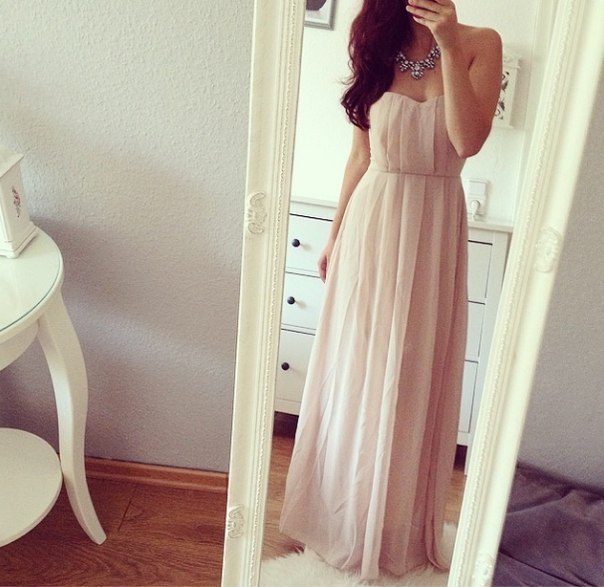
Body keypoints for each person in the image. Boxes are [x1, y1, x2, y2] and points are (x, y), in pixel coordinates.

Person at [279, 0, 502, 580]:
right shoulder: (374, 40)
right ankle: (343, 515)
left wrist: (448, 42)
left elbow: (467, 141)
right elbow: (360, 154)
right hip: (373, 223)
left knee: (413, 374)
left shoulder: (480, 42)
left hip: (435, 228)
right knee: (360, 368)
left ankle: (394, 523)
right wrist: (334, 236)